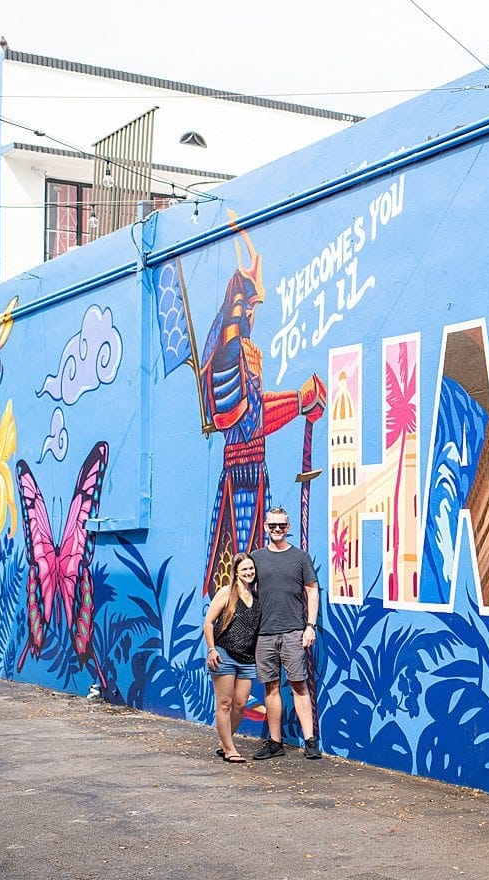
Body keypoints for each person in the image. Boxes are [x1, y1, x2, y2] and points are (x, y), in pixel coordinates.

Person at [197, 225, 326, 598]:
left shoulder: (233, 355)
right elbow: (249, 418)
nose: (252, 314)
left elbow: (252, 413)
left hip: (250, 470)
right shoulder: (234, 354)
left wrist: (299, 402)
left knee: (250, 562)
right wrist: (298, 402)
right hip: (243, 474)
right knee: (242, 560)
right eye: (249, 307)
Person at [248, 506, 321, 760]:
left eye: (281, 526)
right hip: (264, 633)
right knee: (271, 687)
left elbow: (312, 591)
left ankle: (310, 741)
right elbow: (244, 589)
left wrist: (310, 626)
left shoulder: (301, 558)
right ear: (266, 527)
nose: (277, 529)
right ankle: (275, 742)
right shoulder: (255, 558)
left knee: (300, 685)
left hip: (293, 632)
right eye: (272, 525)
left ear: (288, 527)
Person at [203, 553, 260, 763]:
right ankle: (229, 749)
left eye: (251, 569)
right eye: (244, 569)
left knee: (240, 704)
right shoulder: (226, 593)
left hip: (247, 659)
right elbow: (209, 623)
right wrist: (212, 649)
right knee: (225, 703)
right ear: (236, 571)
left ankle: (224, 741)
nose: (248, 573)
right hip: (224, 656)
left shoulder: (256, 596)